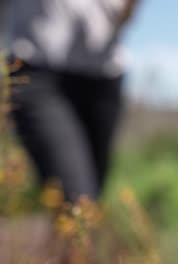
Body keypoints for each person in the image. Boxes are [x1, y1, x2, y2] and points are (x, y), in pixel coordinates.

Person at [4, 0, 139, 202]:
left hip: (104, 74)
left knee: (91, 199)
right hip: (37, 69)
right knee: (77, 199)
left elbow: (125, 14)